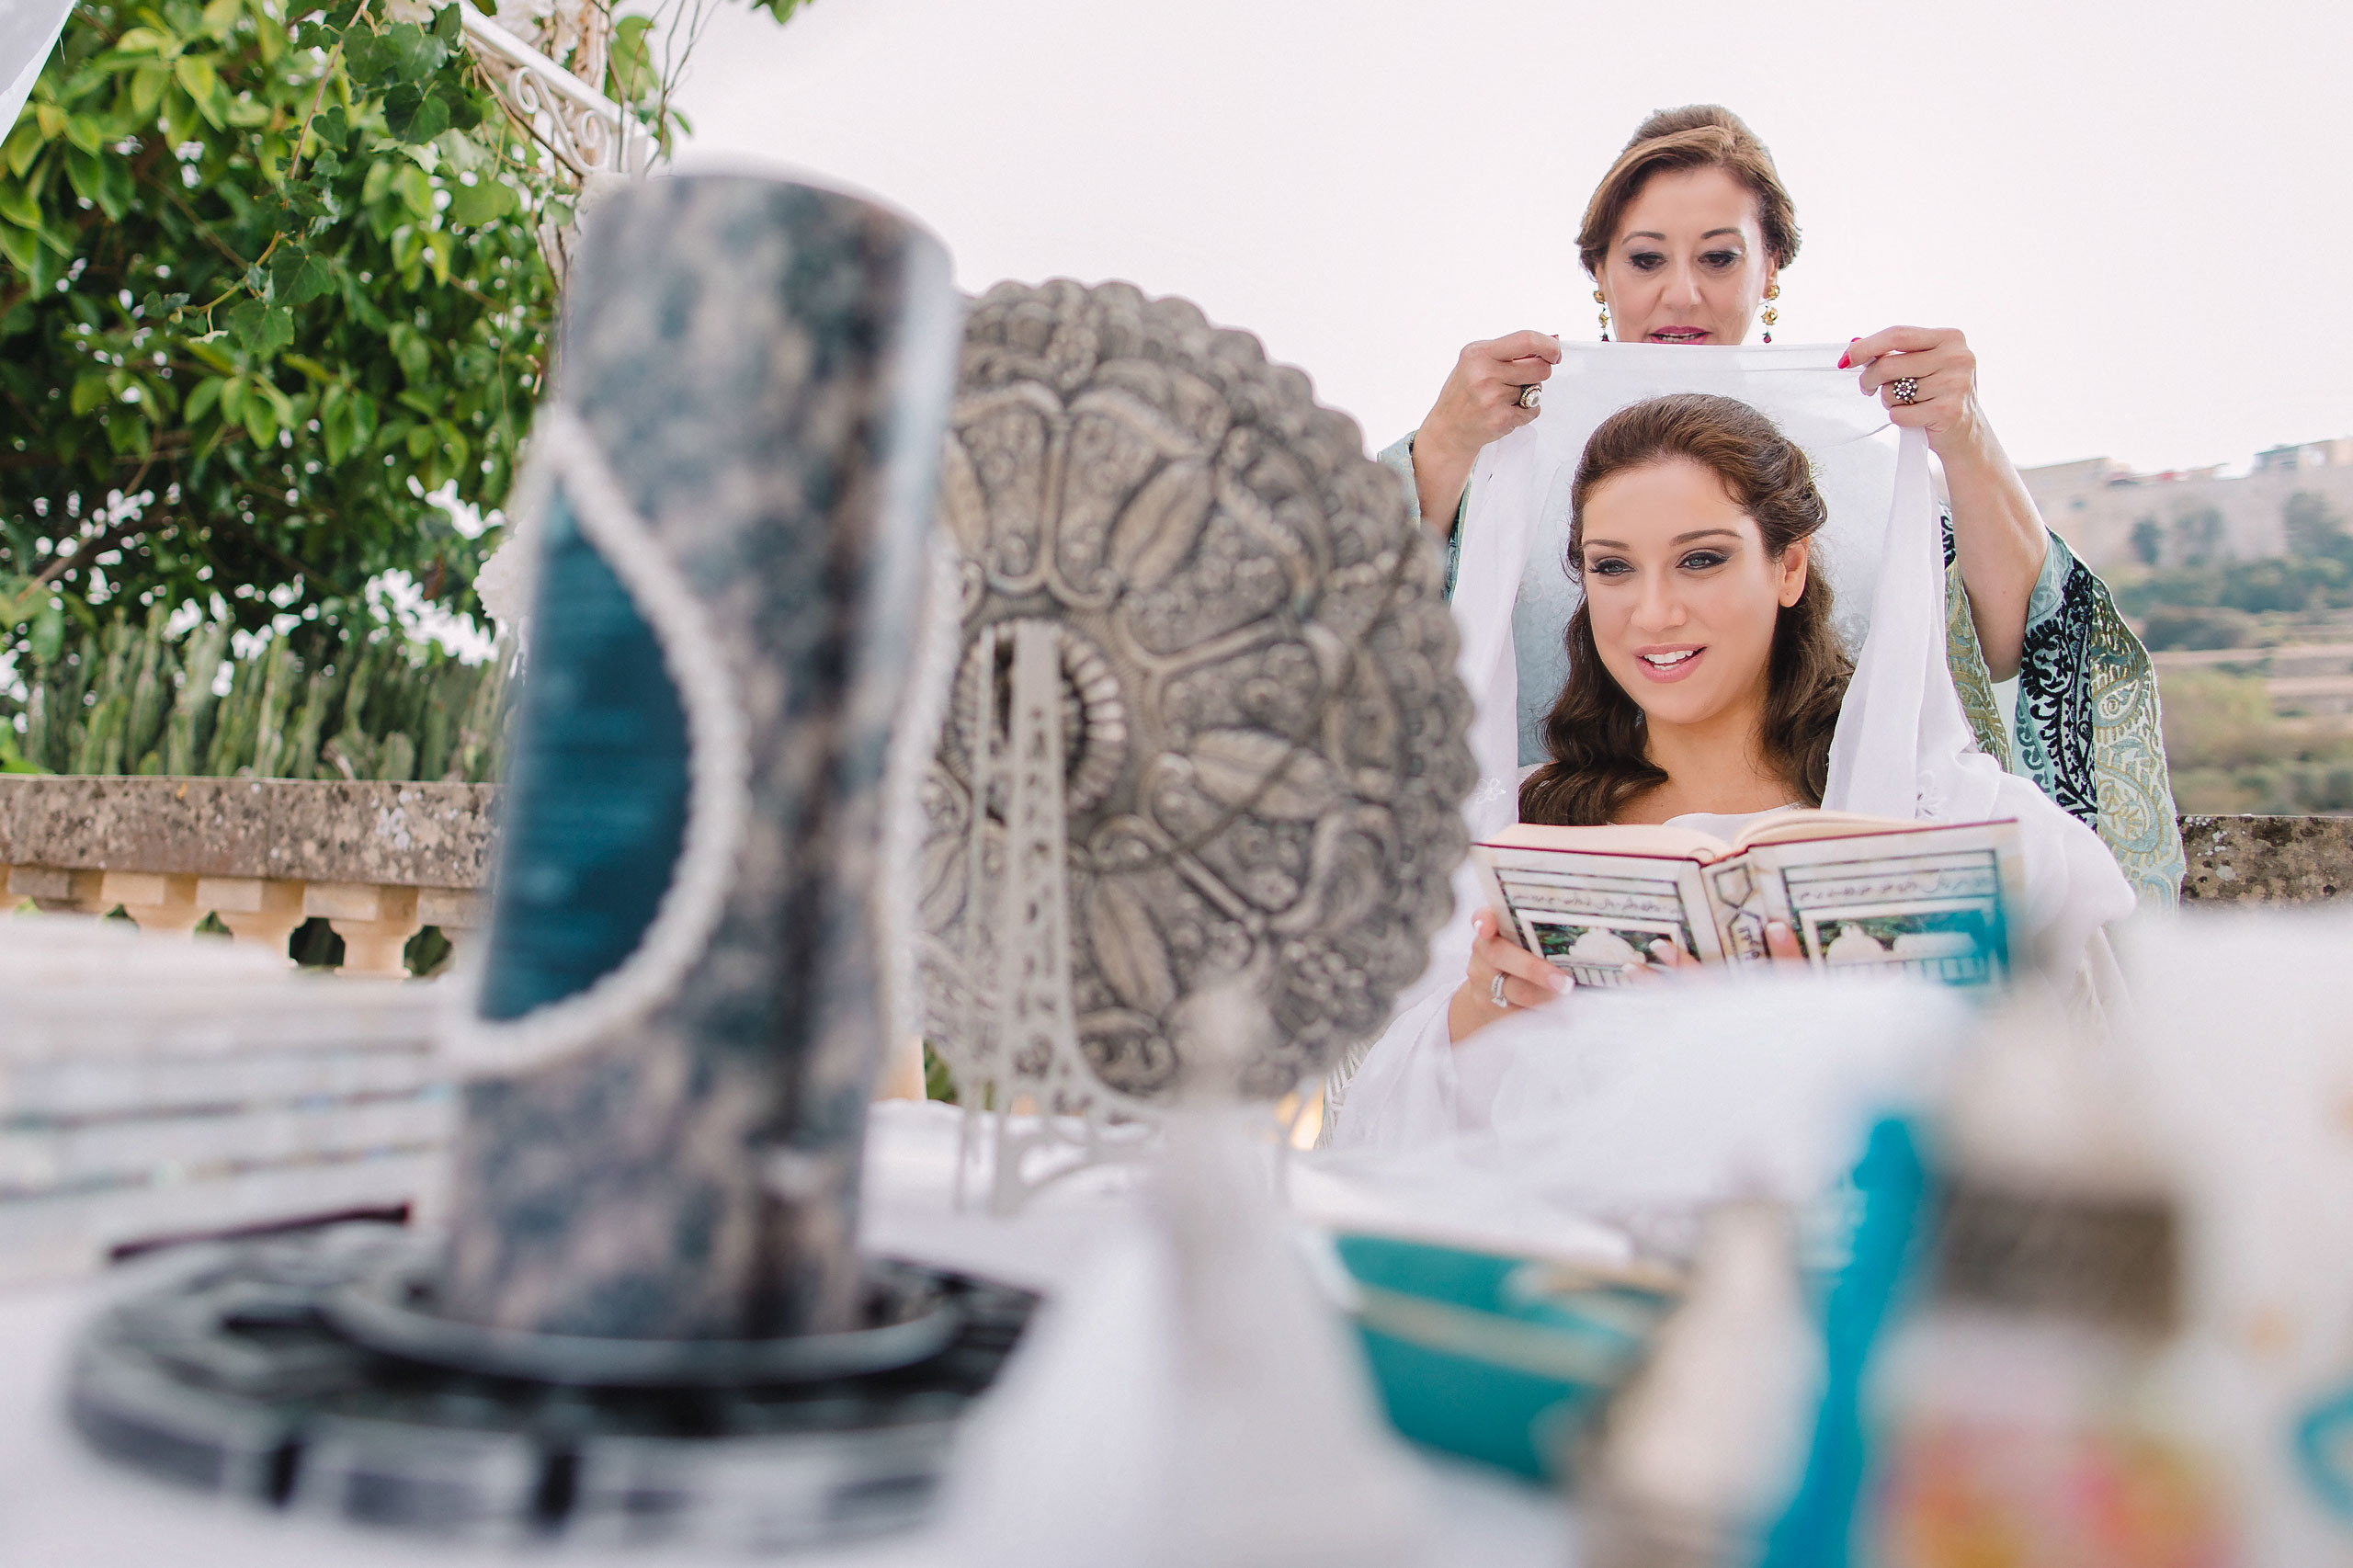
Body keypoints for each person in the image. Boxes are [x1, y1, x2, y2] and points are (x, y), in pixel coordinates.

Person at [1375, 104, 2180, 904]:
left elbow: (2020, 645)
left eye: (1719, 258)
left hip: (1830, 868)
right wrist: (1443, 446)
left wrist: (1963, 434)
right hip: (1562, 868)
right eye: (1646, 260)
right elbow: (1336, 631)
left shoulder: (1854, 458)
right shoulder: (1505, 458)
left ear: (1771, 272)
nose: (1681, 293)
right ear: (1601, 274)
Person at [1332, 392, 2135, 1145]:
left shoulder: (1941, 820)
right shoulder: (1519, 832)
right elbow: (1370, 1132)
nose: (1653, 612)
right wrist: (1481, 1011)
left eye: (1702, 560)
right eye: (1613, 568)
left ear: (1788, 567)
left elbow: (2086, 1109)